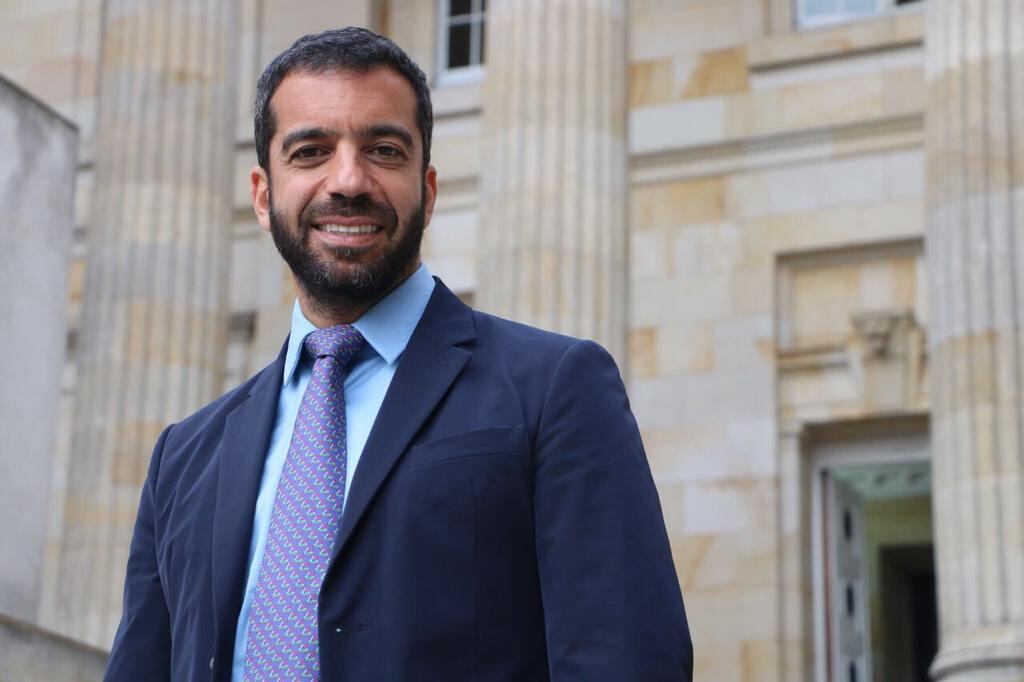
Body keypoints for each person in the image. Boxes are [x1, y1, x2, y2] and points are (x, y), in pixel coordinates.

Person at [105, 27, 692, 682]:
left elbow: (627, 661)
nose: (349, 180)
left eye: (383, 149)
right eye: (311, 151)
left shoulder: (554, 388)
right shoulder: (184, 458)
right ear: (264, 195)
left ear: (429, 188)